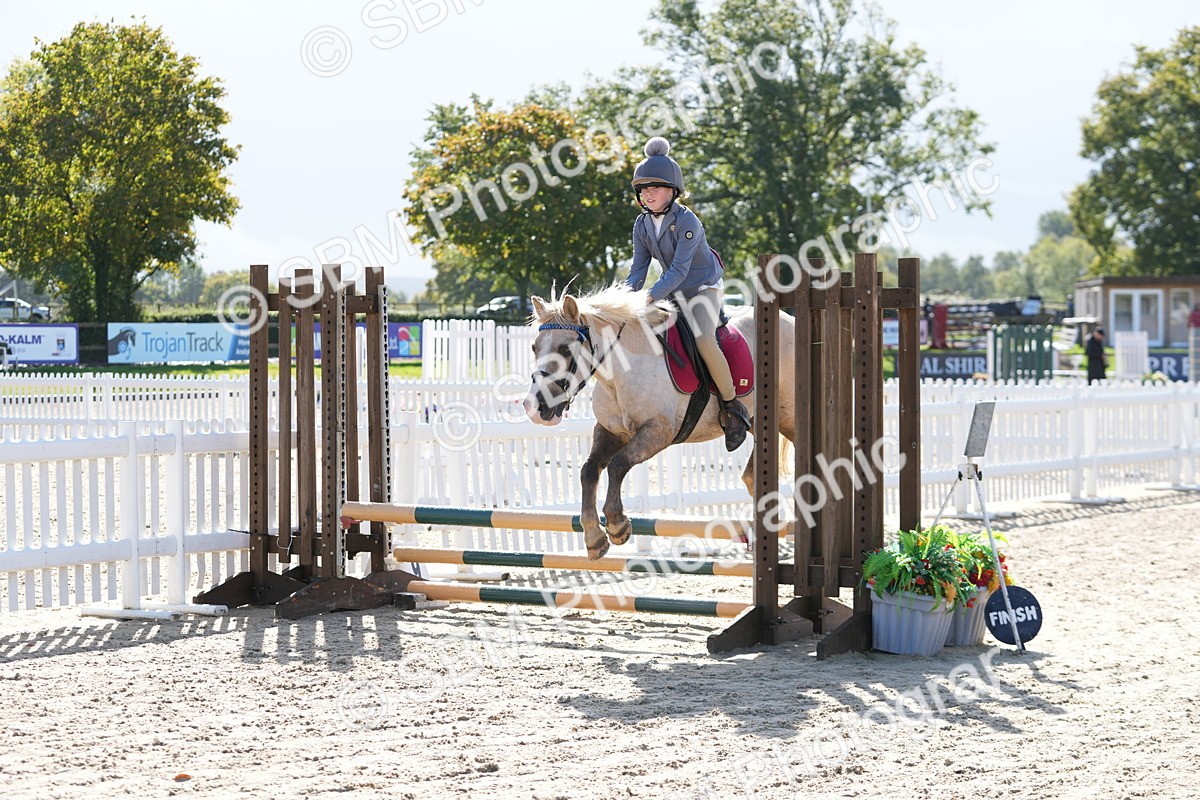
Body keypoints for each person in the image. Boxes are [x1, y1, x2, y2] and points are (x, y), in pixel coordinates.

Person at [625, 137, 750, 451]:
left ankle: (733, 406)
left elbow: (679, 271)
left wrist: (650, 296)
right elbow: (638, 269)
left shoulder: (687, 221)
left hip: (701, 289)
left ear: (673, 191)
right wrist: (625, 300)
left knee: (704, 338)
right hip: (671, 293)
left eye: (655, 187)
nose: (647, 193)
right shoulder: (641, 225)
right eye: (643, 189)